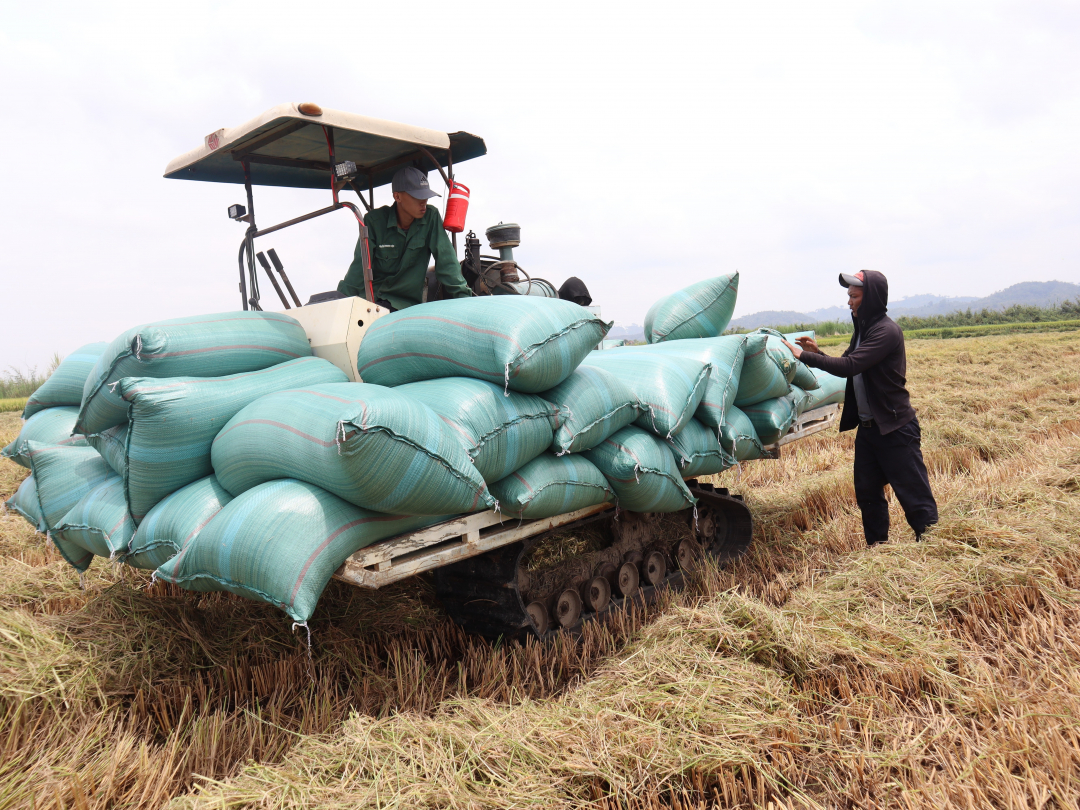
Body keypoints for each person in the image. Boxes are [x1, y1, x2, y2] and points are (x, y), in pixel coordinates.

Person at [782, 270, 938, 547]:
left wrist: (804, 356)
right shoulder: (863, 332)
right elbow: (848, 363)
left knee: (914, 494)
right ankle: (877, 548)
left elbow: (851, 365)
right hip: (869, 430)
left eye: (854, 296)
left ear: (872, 298)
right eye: (849, 296)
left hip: (895, 428)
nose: (849, 302)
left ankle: (934, 545)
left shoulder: (886, 331)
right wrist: (818, 354)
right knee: (867, 493)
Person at [337, 166, 472, 310]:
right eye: (417, 196)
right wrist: (338, 300)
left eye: (425, 196)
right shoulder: (374, 221)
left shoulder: (431, 218)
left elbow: (447, 262)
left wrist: (466, 301)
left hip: (404, 305)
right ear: (397, 197)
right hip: (372, 302)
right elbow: (359, 268)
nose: (423, 202)